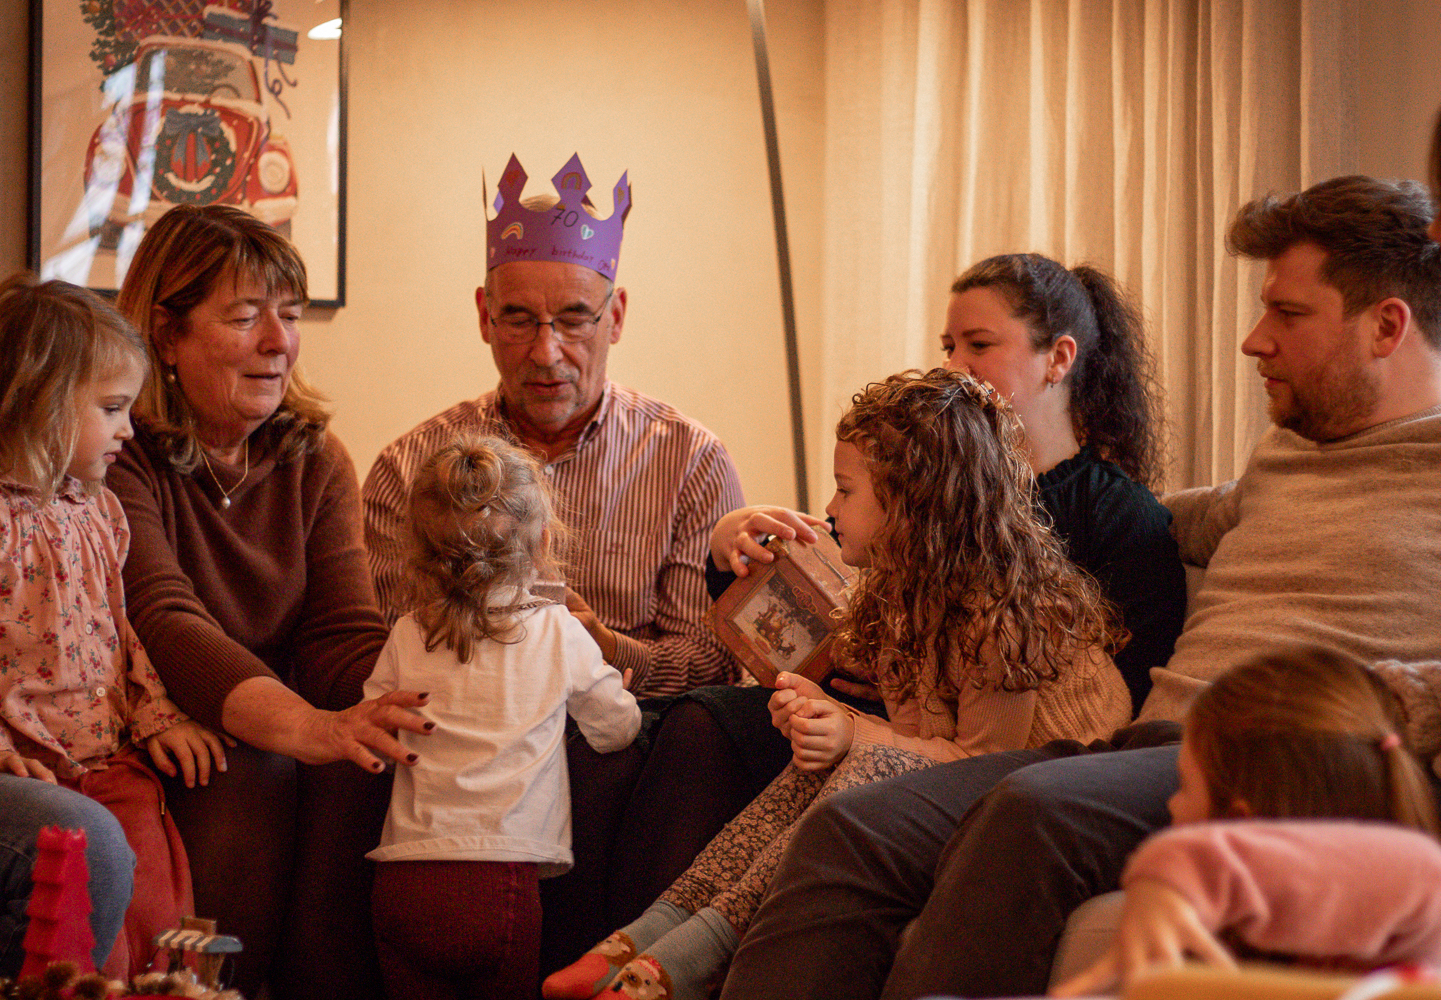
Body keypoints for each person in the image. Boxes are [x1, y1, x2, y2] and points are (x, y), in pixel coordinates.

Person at [720, 174, 1441, 1000]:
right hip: (1148, 745)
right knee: (858, 822)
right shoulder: (1288, 457)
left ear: (1387, 326)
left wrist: (1368, 703)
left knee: (1032, 808)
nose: (1253, 340)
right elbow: (1165, 517)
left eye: (1288, 313)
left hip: (1282, 759)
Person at [597, 254, 1185, 939]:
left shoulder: (1113, 519)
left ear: (1059, 358)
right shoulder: (910, 490)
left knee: (730, 736)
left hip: (974, 741)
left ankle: (680, 952)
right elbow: (836, 598)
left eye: (979, 344)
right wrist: (733, 546)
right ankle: (643, 939)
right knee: (684, 721)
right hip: (884, 702)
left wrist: (874, 706)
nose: (955, 363)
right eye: (948, 345)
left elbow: (1096, 702)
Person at [546, 368, 1131, 1000]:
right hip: (954, 776)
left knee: (859, 767)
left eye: (845, 490)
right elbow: (904, 728)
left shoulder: (1005, 616)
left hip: (1048, 788)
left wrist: (854, 731)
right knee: (807, 771)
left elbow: (985, 761)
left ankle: (675, 969)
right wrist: (815, 711)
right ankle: (640, 939)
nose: (828, 508)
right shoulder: (897, 593)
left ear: (911, 505)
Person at [106, 206, 431, 1000]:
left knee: (366, 764)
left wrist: (415, 694)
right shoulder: (118, 453)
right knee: (254, 769)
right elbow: (165, 619)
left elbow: (340, 634)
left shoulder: (315, 458)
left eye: (290, 314)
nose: (279, 341)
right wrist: (309, 727)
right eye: (246, 316)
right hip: (163, 721)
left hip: (284, 725)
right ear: (167, 335)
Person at [362, 153, 745, 697]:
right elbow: (389, 650)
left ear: (615, 317)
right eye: (519, 320)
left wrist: (609, 648)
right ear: (485, 316)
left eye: (573, 319)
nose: (546, 352)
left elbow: (716, 661)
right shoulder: (407, 470)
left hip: (637, 731)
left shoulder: (690, 461)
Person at [0, 275, 228, 975]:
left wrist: (157, 715)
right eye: (112, 408)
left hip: (110, 758)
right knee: (72, 933)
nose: (128, 429)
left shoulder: (98, 510)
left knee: (156, 923)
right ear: (36, 399)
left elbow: (119, 630)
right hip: (19, 760)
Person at [364, 435, 641, 1000]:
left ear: (419, 548)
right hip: (500, 880)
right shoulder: (557, 629)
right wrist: (619, 693)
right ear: (542, 542)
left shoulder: (407, 633)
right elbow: (617, 731)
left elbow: (375, 732)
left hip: (402, 874)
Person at [1057, 648, 1441, 994]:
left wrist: (1170, 878)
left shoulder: (1420, 891)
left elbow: (1418, 869)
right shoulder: (1262, 940)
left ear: (1241, 820)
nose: (1172, 804)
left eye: (1184, 787)